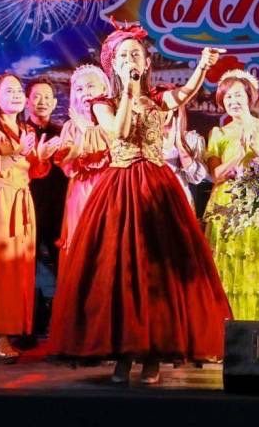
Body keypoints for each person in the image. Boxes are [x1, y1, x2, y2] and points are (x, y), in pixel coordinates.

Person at [48, 29, 231, 384]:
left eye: (136, 55)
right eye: (123, 56)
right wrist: (130, 93)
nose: (130, 60)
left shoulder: (158, 98)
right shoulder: (102, 103)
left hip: (157, 186)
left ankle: (153, 356)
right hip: (120, 186)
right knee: (119, 269)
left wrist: (203, 67)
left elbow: (185, 94)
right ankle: (122, 353)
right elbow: (119, 132)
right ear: (113, 65)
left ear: (147, 63)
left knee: (158, 270)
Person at [0, 74, 59, 363]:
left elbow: (34, 171)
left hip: (20, 198)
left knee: (17, 267)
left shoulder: (24, 128)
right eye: (9, 91)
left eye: (19, 90)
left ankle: (8, 331)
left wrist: (41, 156)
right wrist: (20, 152)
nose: (17, 95)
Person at [205, 69, 259, 320]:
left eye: (238, 95)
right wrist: (240, 154)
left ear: (249, 97)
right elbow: (216, 174)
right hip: (226, 208)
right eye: (228, 97)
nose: (233, 101)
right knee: (228, 265)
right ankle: (226, 329)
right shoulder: (218, 133)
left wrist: (256, 149)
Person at [55, 64, 111, 256]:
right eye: (79, 89)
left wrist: (88, 130)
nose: (85, 92)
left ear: (104, 88)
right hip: (82, 192)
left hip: (110, 190)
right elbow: (67, 167)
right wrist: (81, 137)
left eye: (90, 86)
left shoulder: (113, 122)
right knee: (83, 248)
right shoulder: (70, 126)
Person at [23, 77, 68, 271]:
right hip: (27, 206)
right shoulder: (19, 133)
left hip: (58, 208)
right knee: (25, 264)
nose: (42, 102)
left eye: (47, 97)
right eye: (36, 97)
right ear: (27, 101)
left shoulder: (63, 133)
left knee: (62, 265)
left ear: (55, 103)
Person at [161, 104, 209, 210]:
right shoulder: (142, 140)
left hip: (179, 200)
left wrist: (180, 143)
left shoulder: (189, 139)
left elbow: (197, 177)